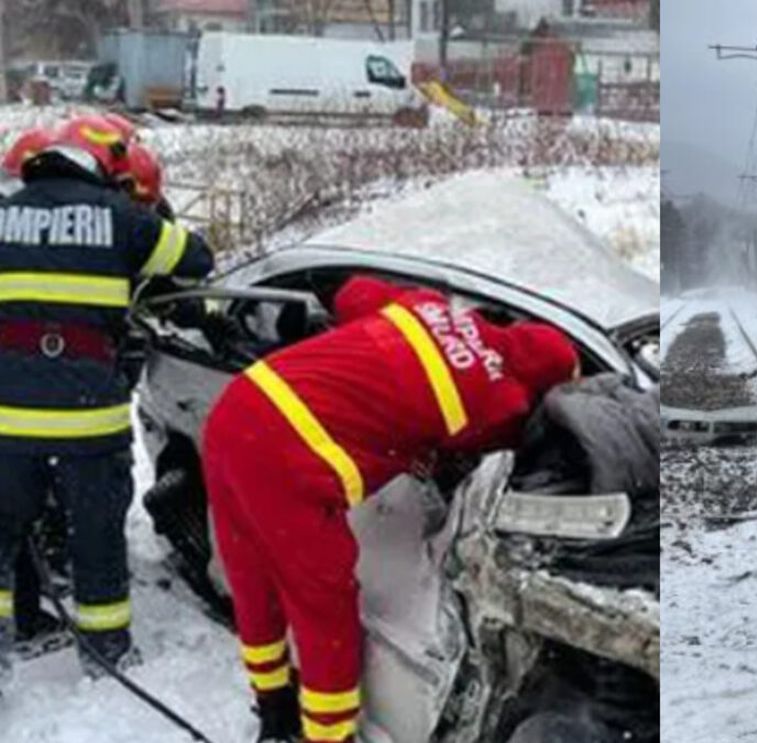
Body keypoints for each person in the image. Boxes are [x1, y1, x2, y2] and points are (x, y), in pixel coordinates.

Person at [202, 275, 580, 743]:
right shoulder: (497, 399)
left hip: (241, 407)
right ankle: (329, 734)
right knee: (324, 606)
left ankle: (274, 707)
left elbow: (351, 291)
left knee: (252, 577)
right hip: (290, 457)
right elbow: (504, 449)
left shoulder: (431, 307)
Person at [0, 114, 214, 691]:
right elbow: (197, 260)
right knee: (95, 537)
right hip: (86, 417)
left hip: (3, 419)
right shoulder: (123, 219)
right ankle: (107, 652)